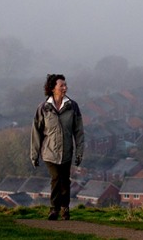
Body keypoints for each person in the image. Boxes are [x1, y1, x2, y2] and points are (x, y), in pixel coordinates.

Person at [30, 74, 84, 221]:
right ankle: (54, 209)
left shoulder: (73, 106)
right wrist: (34, 155)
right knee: (56, 178)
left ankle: (65, 209)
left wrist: (79, 152)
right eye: (62, 86)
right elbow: (36, 132)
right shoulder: (43, 108)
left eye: (65, 85)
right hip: (49, 152)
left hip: (66, 151)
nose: (65, 88)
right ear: (53, 88)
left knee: (65, 180)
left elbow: (78, 131)